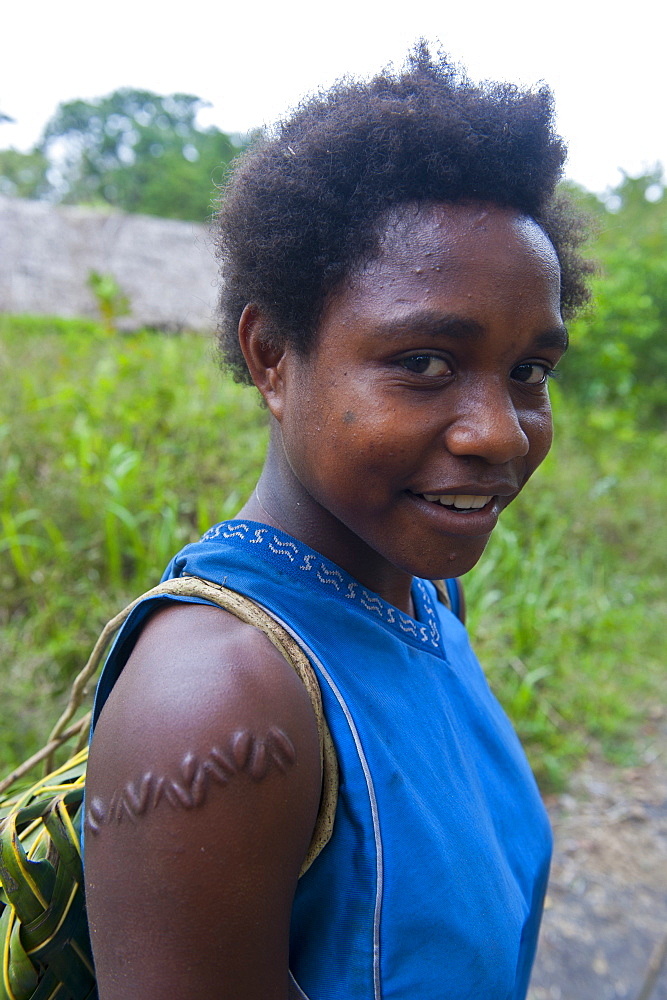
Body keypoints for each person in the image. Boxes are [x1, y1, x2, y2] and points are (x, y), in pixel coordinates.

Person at [83, 44, 592, 1000]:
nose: (500, 433)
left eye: (529, 371)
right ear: (272, 353)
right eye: (425, 362)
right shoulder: (220, 700)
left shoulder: (423, 590)